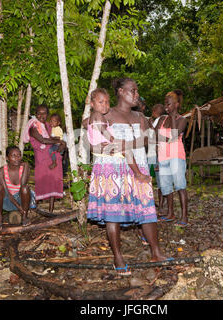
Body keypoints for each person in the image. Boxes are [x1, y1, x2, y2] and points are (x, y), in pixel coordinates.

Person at [87, 78, 170, 276]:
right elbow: (92, 129)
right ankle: (118, 257)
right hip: (112, 168)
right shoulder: (107, 113)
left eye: (137, 91)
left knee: (147, 207)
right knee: (112, 213)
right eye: (133, 90)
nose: (136, 94)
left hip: (138, 167)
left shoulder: (139, 116)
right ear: (121, 92)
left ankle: (156, 252)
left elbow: (151, 137)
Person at [84, 88, 151, 184]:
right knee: (127, 152)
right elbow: (103, 131)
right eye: (101, 102)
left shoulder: (96, 115)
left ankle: (136, 173)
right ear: (92, 104)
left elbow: (84, 123)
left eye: (107, 102)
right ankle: (138, 174)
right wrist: (114, 140)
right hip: (104, 144)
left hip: (103, 146)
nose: (105, 105)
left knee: (125, 153)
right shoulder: (97, 115)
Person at [155, 90, 189, 227]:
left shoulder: (182, 120)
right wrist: (167, 139)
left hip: (176, 156)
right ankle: (170, 213)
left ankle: (184, 216)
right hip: (163, 156)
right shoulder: (162, 119)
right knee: (166, 187)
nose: (166, 106)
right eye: (165, 104)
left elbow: (174, 136)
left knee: (180, 186)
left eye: (169, 104)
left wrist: (174, 116)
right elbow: (154, 135)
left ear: (176, 104)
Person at [24, 105, 66, 213]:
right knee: (41, 182)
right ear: (35, 113)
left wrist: (62, 144)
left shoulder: (49, 125)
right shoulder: (33, 127)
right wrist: (59, 142)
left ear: (47, 114)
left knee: (53, 184)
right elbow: (42, 140)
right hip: (42, 159)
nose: (41, 115)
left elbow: (57, 138)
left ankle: (50, 211)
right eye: (39, 113)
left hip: (53, 158)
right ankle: (34, 209)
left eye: (44, 113)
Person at [0, 146, 36, 231]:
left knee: (25, 188)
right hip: (9, 201)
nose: (17, 158)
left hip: (23, 200)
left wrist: (26, 166)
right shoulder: (1, 172)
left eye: (19, 155)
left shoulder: (24, 168)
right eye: (13, 156)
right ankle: (0, 219)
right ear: (7, 158)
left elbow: (23, 184)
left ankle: (24, 217)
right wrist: (19, 208)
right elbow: (8, 195)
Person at [147, 104, 167, 214]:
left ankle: (161, 204)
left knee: (160, 181)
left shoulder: (161, 120)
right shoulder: (154, 120)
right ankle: (155, 203)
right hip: (151, 154)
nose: (152, 110)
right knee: (150, 178)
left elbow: (156, 137)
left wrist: (150, 126)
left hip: (157, 154)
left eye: (154, 109)